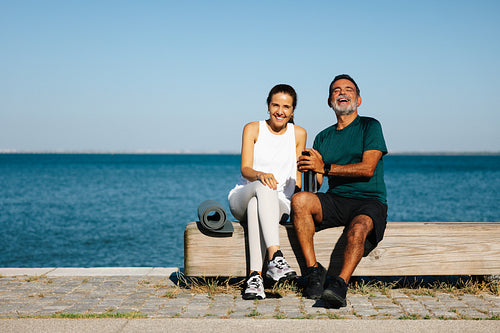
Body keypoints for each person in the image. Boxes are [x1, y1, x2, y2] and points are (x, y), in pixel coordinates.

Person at [292, 74, 388, 308]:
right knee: (300, 201)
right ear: (329, 100)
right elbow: (316, 185)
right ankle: (314, 272)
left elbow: (367, 169)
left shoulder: (370, 126)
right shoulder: (323, 137)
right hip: (336, 200)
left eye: (348, 90)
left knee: (357, 229)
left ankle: (339, 285)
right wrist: (307, 167)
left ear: (359, 99)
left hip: (369, 200)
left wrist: (324, 167)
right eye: (336, 90)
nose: (342, 93)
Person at [228, 84, 307, 300]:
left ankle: (254, 279)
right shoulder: (253, 128)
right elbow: (245, 168)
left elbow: (298, 176)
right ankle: (275, 256)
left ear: (292, 111)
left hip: (279, 202)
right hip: (244, 193)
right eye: (275, 105)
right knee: (262, 190)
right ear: (268, 106)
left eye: (286, 107)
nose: (280, 111)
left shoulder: (298, 134)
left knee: (259, 204)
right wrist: (260, 175)